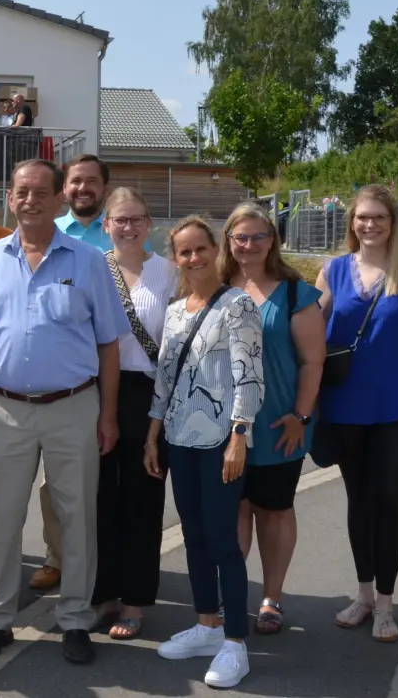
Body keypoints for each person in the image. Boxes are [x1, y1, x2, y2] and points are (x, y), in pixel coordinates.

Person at [0, 158, 130, 667]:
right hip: (3, 409)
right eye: (21, 192)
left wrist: (107, 415)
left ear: (58, 200)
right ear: (10, 197)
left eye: (40, 193)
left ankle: (74, 619)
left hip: (73, 408)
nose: (30, 200)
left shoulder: (89, 262)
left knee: (77, 520)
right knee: (0, 521)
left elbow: (109, 346)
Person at [315, 184, 398, 644]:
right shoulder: (332, 271)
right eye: (362, 217)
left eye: (379, 218)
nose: (369, 225)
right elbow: (309, 331)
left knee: (390, 501)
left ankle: (387, 605)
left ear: (394, 223)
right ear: (351, 222)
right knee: (359, 501)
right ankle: (364, 594)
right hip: (346, 407)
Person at [146, 215, 263, 690]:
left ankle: (236, 642)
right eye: (184, 252)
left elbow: (250, 376)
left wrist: (239, 435)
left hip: (220, 441)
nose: (193, 258)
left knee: (222, 541)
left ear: (216, 250)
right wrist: (152, 436)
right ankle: (206, 624)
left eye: (200, 249)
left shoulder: (238, 306)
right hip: (178, 438)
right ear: (175, 259)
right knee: (193, 536)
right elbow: (164, 381)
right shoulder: (174, 311)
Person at [220, 202, 326, 636]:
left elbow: (313, 361)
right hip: (222, 427)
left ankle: (272, 598)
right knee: (235, 511)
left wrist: (301, 415)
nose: (248, 245)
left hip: (278, 424)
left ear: (272, 241)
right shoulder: (213, 286)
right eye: (240, 237)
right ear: (228, 241)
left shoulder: (295, 293)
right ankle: (232, 596)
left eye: (257, 237)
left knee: (275, 511)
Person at [91, 187, 177, 641]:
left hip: (149, 395)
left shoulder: (170, 273)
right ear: (105, 225)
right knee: (101, 499)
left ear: (149, 223)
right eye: (119, 220)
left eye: (136, 219)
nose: (128, 227)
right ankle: (102, 593)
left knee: (144, 501)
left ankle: (137, 601)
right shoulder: (89, 268)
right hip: (96, 393)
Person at [29, 153, 112, 592]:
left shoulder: (117, 231)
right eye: (75, 182)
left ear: (104, 189)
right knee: (52, 486)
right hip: (54, 378)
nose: (82, 189)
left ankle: (96, 568)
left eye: (91, 182)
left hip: (102, 374)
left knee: (90, 485)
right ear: (64, 190)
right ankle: (56, 557)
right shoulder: (47, 232)